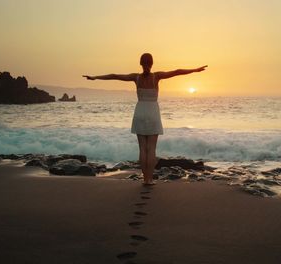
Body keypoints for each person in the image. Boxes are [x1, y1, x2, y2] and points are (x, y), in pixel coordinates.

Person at [83, 53, 206, 185]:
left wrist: (95, 77)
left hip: (140, 112)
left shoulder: (136, 77)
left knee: (142, 149)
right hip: (153, 112)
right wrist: (195, 70)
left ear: (140, 64)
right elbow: (177, 72)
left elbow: (115, 76)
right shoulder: (156, 76)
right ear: (152, 64)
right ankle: (150, 179)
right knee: (151, 149)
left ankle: (145, 179)